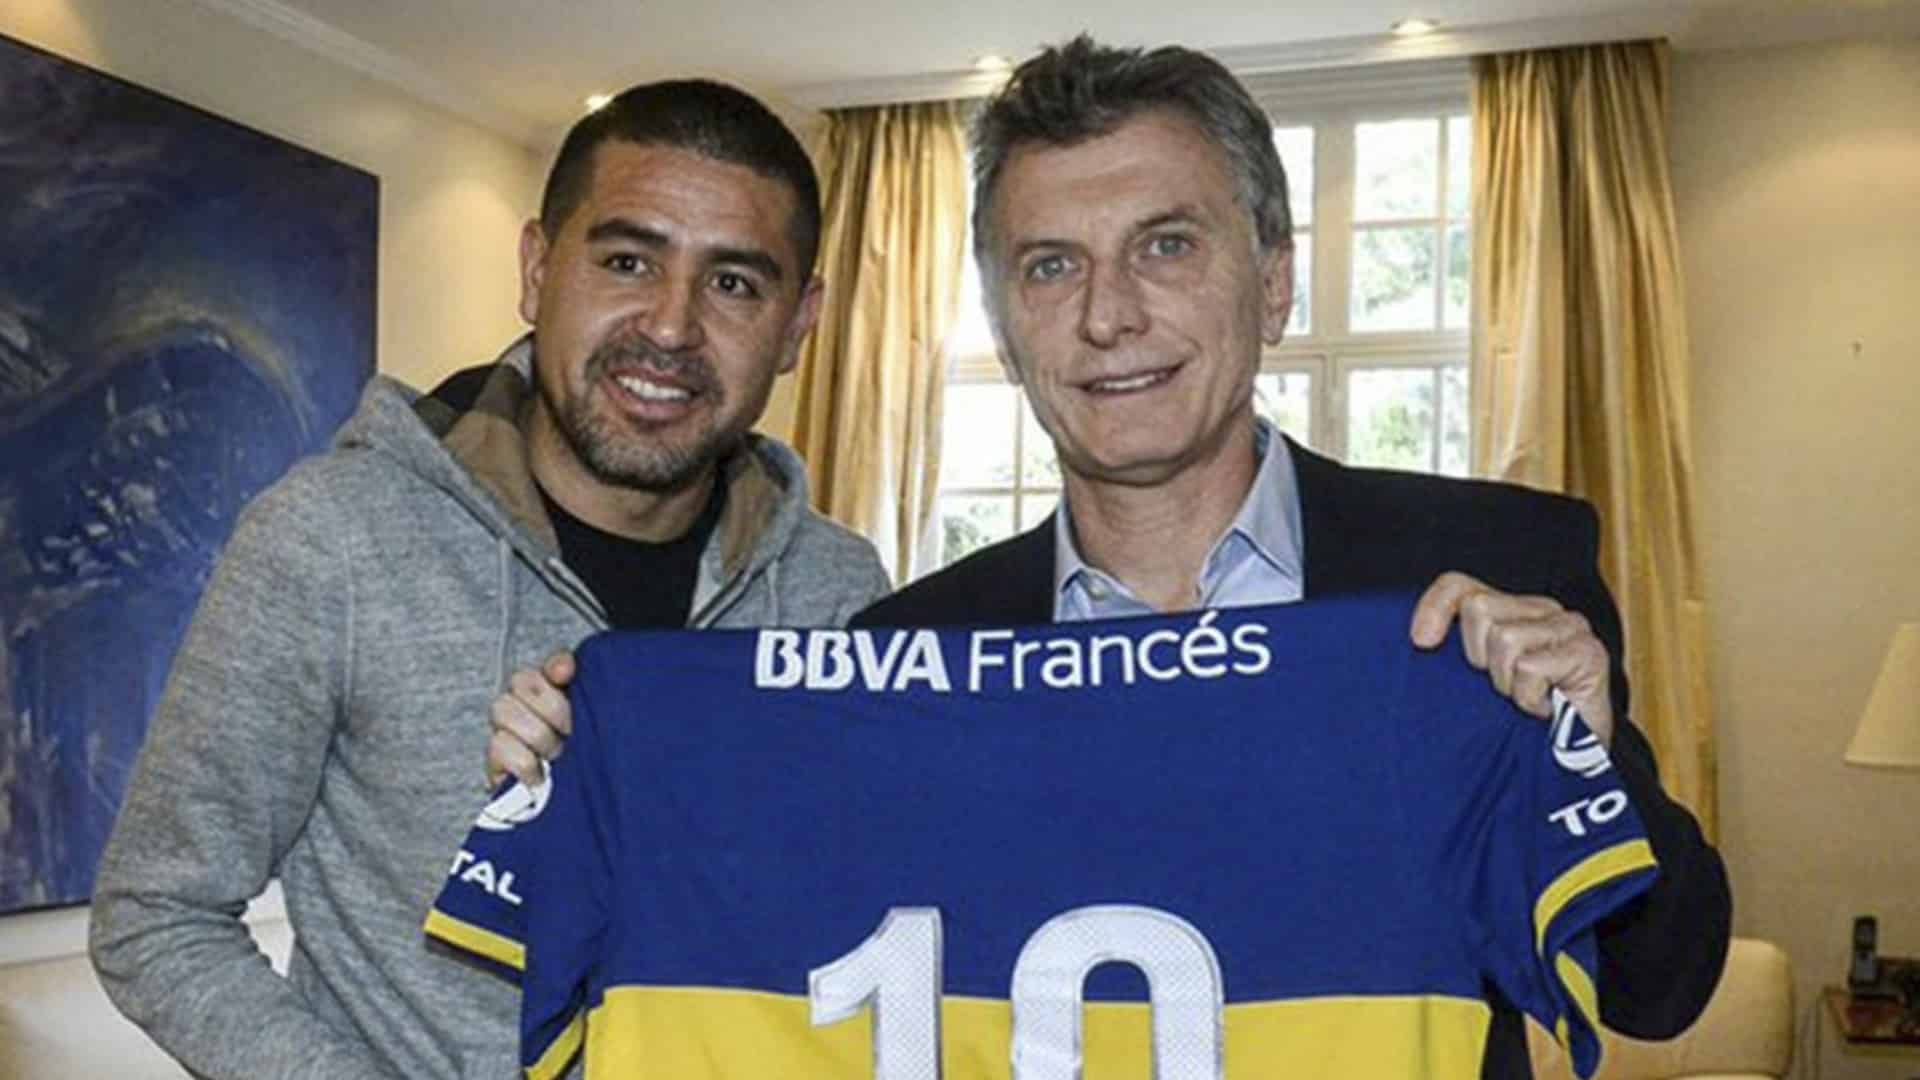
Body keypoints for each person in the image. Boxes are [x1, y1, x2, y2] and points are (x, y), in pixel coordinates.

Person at [489, 38, 1730, 1079]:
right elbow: (782, 976)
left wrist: (1584, 747)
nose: (1107, 315)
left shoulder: (1490, 569)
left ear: (1275, 281)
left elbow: (1661, 985)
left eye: (1167, 246)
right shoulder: (909, 651)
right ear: (1002, 324)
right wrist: (588, 777)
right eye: (1050, 266)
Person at [88, 79, 890, 1079]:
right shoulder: (333, 539)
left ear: (800, 322)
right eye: (627, 261)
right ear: (539, 269)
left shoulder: (840, 591)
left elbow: (862, 923)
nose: (671, 326)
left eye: (733, 283)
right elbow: (157, 915)